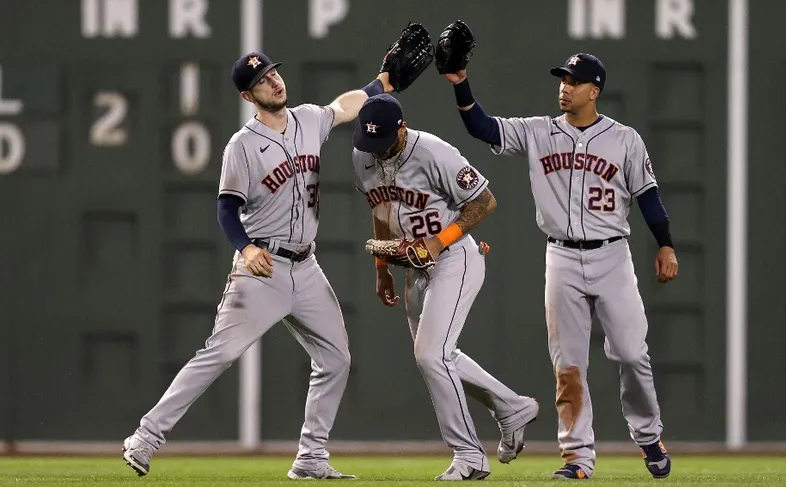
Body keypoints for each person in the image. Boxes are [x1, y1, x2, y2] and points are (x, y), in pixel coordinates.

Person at [121, 51, 396, 480]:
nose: (274, 81)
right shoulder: (243, 146)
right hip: (262, 267)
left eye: (273, 73)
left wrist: (381, 84)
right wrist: (246, 248)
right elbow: (227, 209)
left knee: (336, 359)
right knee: (219, 353)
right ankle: (146, 436)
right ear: (249, 95)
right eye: (263, 80)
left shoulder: (307, 119)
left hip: (306, 268)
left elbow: (344, 106)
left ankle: (310, 458)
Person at [441, 52, 679, 480]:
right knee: (568, 365)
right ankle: (576, 458)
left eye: (575, 80)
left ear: (595, 90)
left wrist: (665, 245)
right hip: (562, 257)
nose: (565, 86)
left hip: (612, 255)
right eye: (563, 79)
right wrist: (461, 83)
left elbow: (648, 196)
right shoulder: (538, 132)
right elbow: (482, 126)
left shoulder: (624, 139)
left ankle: (648, 435)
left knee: (631, 352)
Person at [351, 93, 540, 481]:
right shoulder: (363, 153)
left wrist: (439, 241)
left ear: (401, 129)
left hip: (454, 258)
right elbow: (381, 211)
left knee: (430, 356)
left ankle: (470, 455)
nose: (377, 149)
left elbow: (484, 202)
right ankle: (512, 407)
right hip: (412, 269)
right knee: (440, 356)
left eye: (384, 139)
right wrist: (381, 266)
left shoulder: (434, 152)